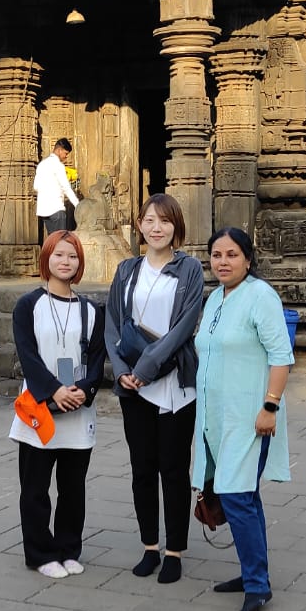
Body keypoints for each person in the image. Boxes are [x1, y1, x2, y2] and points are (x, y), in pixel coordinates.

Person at [192, 227, 294, 611]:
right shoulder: (216, 297)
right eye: (216, 255)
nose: (223, 262)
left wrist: (270, 406)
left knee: (236, 495)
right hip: (215, 417)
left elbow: (281, 355)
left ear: (248, 259)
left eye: (231, 254)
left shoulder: (260, 296)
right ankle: (253, 573)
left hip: (250, 417)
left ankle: (257, 585)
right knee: (241, 496)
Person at [106, 194, 206, 584]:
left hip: (174, 386)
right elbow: (113, 324)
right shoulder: (127, 270)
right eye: (149, 220)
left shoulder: (190, 270)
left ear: (176, 227)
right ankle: (150, 546)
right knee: (142, 469)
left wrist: (145, 367)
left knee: (174, 469)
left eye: (164, 221)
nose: (156, 227)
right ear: (140, 225)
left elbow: (184, 326)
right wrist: (123, 373)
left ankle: (175, 550)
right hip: (134, 387)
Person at [11, 230, 107, 578]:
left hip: (79, 409)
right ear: (46, 258)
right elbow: (28, 355)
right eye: (59, 255)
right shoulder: (28, 305)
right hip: (39, 410)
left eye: (73, 257)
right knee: (35, 487)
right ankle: (39, 552)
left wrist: (84, 388)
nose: (66, 262)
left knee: (73, 487)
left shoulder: (92, 309)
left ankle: (68, 548)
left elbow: (97, 358)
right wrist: (53, 391)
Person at [33, 138, 80, 237]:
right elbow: (66, 187)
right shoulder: (58, 165)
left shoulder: (41, 165)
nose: (66, 157)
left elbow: (36, 186)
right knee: (60, 243)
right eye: (66, 153)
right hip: (56, 209)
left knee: (52, 243)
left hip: (44, 210)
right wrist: (78, 205)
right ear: (59, 150)